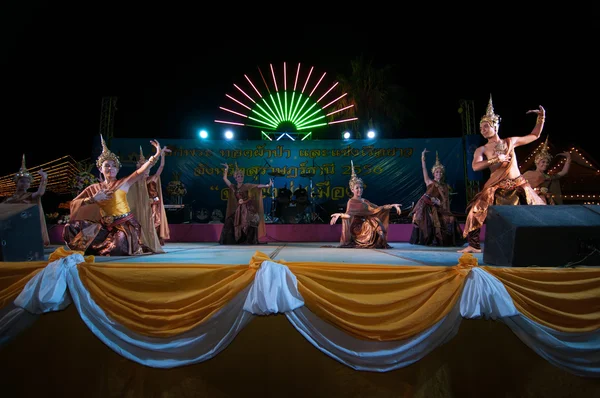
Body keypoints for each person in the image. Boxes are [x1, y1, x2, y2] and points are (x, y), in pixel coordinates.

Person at [459, 95, 546, 253]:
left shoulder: (510, 142)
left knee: (539, 208)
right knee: (475, 210)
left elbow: (534, 136)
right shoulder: (482, 149)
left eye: (486, 126)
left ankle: (542, 240)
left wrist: (541, 118)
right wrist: (495, 160)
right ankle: (473, 244)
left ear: (495, 126)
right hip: (497, 185)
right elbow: (475, 167)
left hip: (518, 183)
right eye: (481, 128)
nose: (483, 130)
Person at [62, 135, 163, 256]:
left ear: (118, 169)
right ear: (100, 169)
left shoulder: (123, 183)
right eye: (107, 166)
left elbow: (140, 172)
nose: (111, 168)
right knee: (70, 227)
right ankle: (94, 247)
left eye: (114, 165)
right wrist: (92, 199)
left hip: (125, 227)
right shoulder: (94, 188)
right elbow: (74, 203)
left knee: (118, 248)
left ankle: (102, 247)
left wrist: (156, 155)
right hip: (104, 227)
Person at [330, 160, 402, 248]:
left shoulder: (365, 200)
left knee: (374, 220)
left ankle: (380, 241)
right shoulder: (351, 201)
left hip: (367, 222)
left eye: (361, 187)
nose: (359, 190)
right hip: (357, 227)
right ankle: (374, 240)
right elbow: (348, 215)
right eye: (357, 188)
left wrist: (392, 205)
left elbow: (378, 208)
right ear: (352, 189)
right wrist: (339, 215)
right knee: (370, 222)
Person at [409, 149, 465, 246]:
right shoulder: (429, 182)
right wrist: (423, 157)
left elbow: (445, 200)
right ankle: (434, 240)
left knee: (451, 218)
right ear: (434, 173)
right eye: (437, 172)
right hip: (429, 207)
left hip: (440, 207)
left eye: (440, 172)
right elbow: (424, 169)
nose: (439, 174)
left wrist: (441, 204)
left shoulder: (445, 186)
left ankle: (448, 240)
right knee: (436, 219)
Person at [218, 162, 273, 244]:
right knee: (230, 221)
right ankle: (236, 239)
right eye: (238, 177)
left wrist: (267, 185)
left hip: (248, 208)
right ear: (236, 178)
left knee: (248, 221)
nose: (240, 178)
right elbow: (225, 179)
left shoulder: (246, 185)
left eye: (242, 176)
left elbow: (257, 186)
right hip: (239, 209)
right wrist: (227, 169)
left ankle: (248, 240)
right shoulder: (234, 187)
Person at [2, 154, 50, 246]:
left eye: (28, 182)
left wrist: (44, 178)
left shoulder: (29, 196)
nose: (25, 184)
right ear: (17, 182)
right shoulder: (9, 199)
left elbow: (40, 193)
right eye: (22, 181)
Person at [129, 145, 171, 246]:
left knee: (155, 222)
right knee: (142, 221)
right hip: (142, 204)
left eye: (148, 170)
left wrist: (162, 155)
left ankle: (154, 240)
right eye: (144, 170)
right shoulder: (136, 182)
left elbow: (161, 167)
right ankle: (141, 239)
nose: (146, 172)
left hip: (153, 204)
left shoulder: (153, 178)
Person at [522, 136, 572, 205]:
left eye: (547, 162)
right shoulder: (529, 174)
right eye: (543, 162)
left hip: (547, 202)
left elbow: (563, 172)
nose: (545, 164)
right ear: (537, 162)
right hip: (533, 201)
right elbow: (521, 187)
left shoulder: (547, 176)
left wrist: (568, 158)